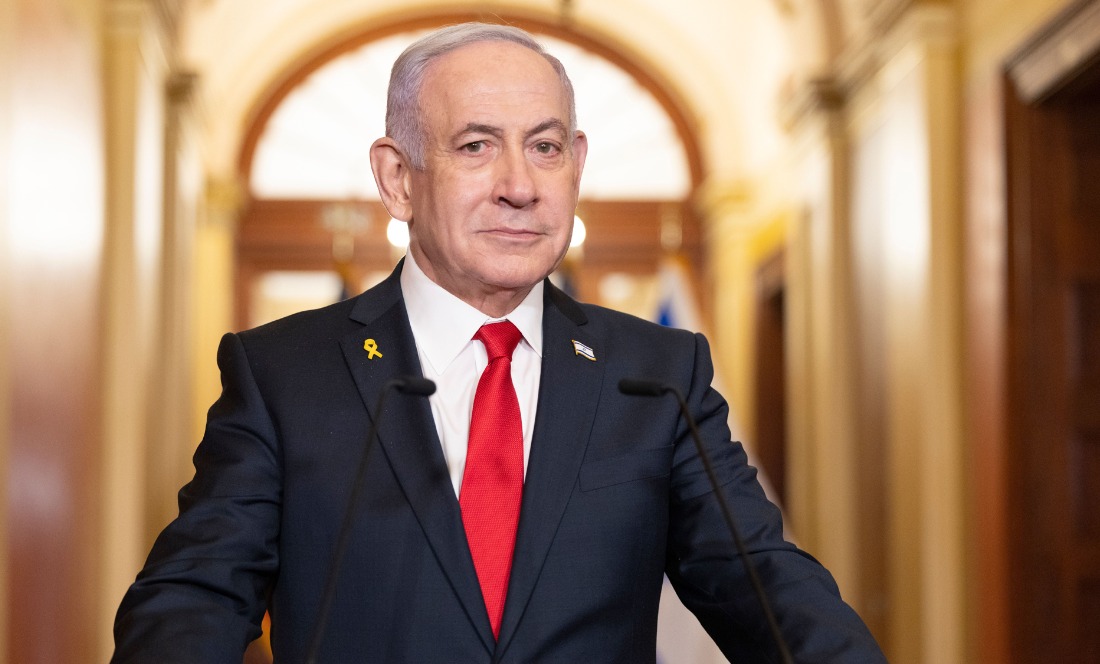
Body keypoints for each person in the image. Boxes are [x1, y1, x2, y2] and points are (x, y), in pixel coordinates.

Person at [112, 22, 885, 663]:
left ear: (577, 166)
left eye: (545, 148)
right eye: (476, 146)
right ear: (398, 178)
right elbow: (197, 595)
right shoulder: (284, 374)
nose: (520, 184)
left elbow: (765, 587)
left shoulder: (656, 374)